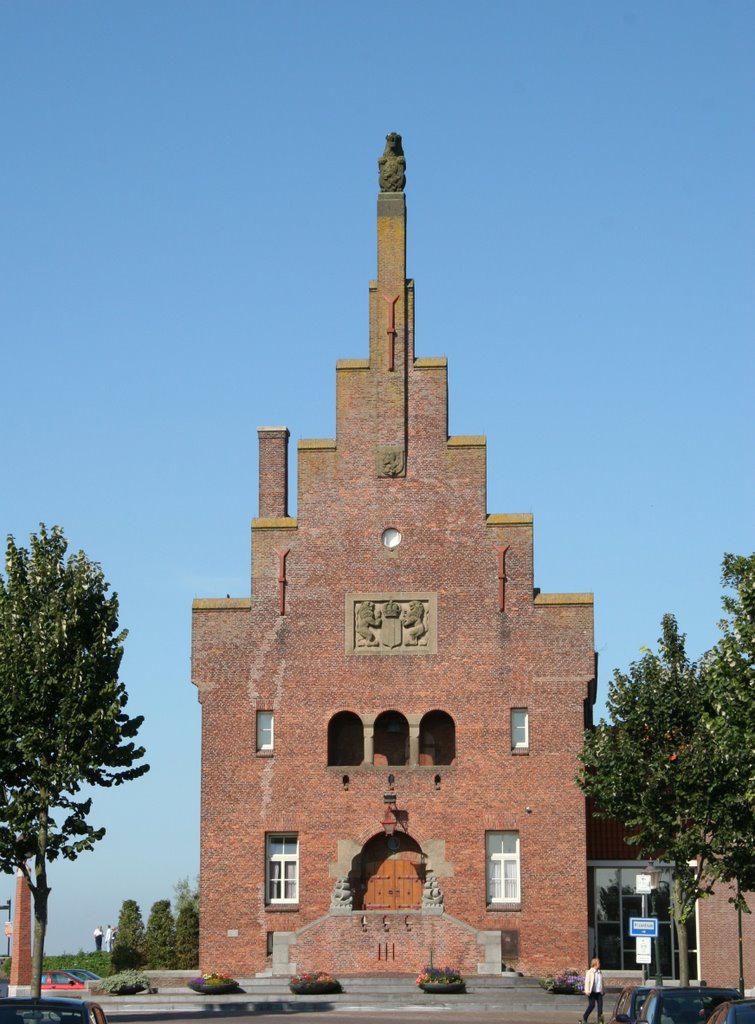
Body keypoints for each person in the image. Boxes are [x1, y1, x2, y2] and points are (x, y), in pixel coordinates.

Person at [581, 957, 604, 1024]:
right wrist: (587, 991)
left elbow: (602, 982)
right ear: (595, 964)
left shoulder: (600, 972)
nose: (600, 964)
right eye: (598, 963)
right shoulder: (590, 972)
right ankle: (585, 1017)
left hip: (599, 992)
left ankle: (601, 1022)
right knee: (592, 1005)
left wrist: (603, 990)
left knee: (600, 1008)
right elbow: (587, 982)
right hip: (592, 992)